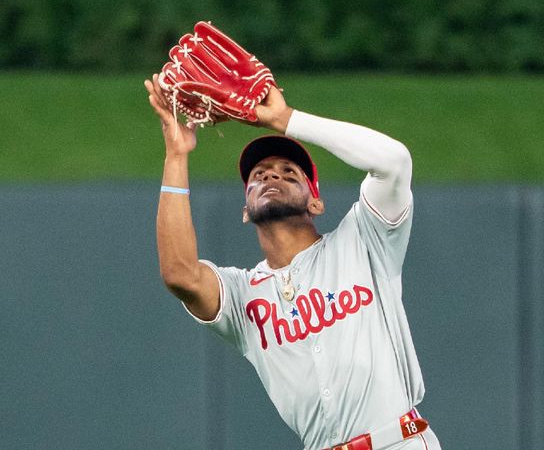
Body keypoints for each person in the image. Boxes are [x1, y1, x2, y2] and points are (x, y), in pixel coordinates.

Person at [144, 74, 441, 450]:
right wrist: (176, 156)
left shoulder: (364, 240)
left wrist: (286, 120)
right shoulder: (242, 295)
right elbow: (180, 275)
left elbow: (394, 162)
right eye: (258, 175)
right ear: (246, 211)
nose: (272, 175)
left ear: (316, 202)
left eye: (289, 173)